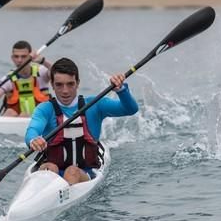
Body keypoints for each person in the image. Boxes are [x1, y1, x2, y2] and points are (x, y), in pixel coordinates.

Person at [26, 57, 138, 185]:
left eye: (70, 84)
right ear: (52, 84)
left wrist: (121, 90)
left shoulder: (95, 104)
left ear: (78, 83)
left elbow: (130, 109)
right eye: (59, 85)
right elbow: (32, 130)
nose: (65, 91)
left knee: (72, 171)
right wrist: (33, 140)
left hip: (86, 172)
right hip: (53, 170)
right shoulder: (45, 109)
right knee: (49, 168)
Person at [0, 40, 52, 117]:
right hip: (20, 122)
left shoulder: (42, 72)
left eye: (23, 56)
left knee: (24, 115)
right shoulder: (8, 80)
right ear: (12, 58)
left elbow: (58, 73)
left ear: (30, 57)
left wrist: (43, 61)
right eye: (16, 56)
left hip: (43, 118)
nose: (19, 60)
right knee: (10, 112)